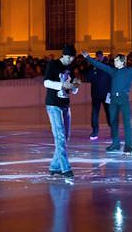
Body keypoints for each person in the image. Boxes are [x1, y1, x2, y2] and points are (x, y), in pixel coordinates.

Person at [43, 44, 80, 179]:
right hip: (53, 105)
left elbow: (71, 89)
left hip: (65, 104)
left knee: (66, 136)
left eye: (73, 58)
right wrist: (61, 85)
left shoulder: (69, 68)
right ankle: (65, 168)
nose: (71, 60)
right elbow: (46, 82)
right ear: (63, 55)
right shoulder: (53, 64)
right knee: (60, 136)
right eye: (69, 57)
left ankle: (54, 166)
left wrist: (75, 86)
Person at [86, 51, 112, 140]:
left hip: (106, 94)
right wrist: (93, 69)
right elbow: (88, 78)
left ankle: (113, 129)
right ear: (96, 57)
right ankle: (95, 131)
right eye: (97, 56)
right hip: (96, 94)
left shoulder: (107, 67)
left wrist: (110, 93)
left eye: (100, 56)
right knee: (95, 113)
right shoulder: (93, 67)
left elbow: (111, 80)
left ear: (102, 57)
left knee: (109, 112)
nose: (99, 58)